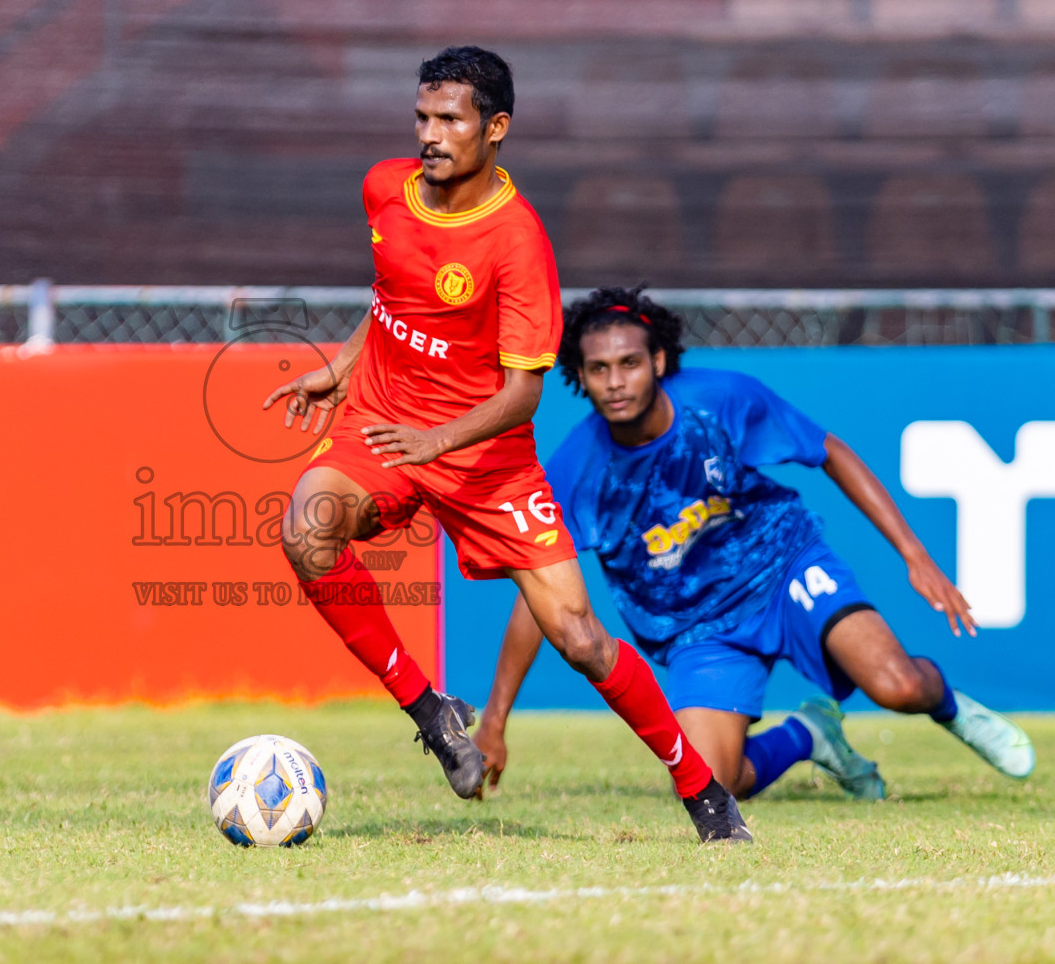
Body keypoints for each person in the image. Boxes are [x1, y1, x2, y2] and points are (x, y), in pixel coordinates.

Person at [264, 48, 750, 842]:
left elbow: (522, 393)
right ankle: (430, 711)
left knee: (580, 640)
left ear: (496, 129)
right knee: (305, 530)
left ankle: (704, 795)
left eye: (449, 119)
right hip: (384, 428)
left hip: (486, 460)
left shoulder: (518, 242)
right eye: (422, 117)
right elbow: (392, 296)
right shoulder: (383, 188)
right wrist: (344, 367)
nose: (430, 134)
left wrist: (438, 440)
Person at [474, 286, 1035, 802]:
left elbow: (830, 451)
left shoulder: (721, 399)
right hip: (695, 627)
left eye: (629, 364)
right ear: (579, 376)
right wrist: (495, 719)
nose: (615, 382)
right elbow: (540, 592)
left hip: (783, 568)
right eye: (598, 369)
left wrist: (914, 556)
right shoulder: (579, 468)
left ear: (659, 363)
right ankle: (807, 736)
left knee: (898, 686)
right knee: (713, 783)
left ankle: (952, 707)